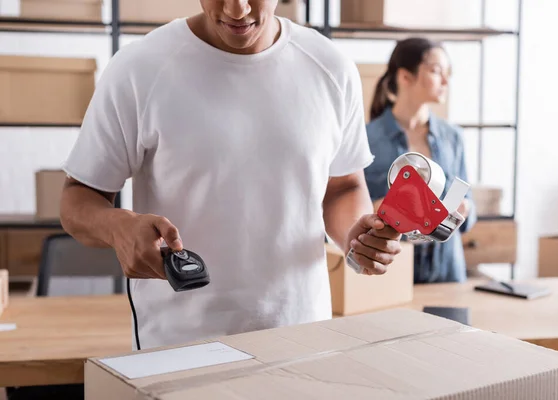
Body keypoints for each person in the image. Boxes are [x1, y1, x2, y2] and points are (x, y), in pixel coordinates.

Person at [59, 0, 403, 351]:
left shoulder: (331, 67)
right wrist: (119, 227)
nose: (237, 9)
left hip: (303, 336)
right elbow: (77, 199)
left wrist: (356, 236)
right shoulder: (139, 68)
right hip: (179, 346)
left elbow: (343, 185)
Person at [364, 37, 477, 284]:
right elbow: (350, 208)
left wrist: (465, 209)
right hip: (391, 270)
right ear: (405, 77)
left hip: (447, 270)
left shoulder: (453, 137)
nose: (446, 81)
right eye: (437, 71)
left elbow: (469, 204)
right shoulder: (365, 138)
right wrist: (376, 208)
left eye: (448, 73)